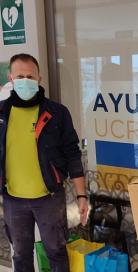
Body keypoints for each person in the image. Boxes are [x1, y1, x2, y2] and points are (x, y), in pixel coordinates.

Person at [0, 53, 89, 272]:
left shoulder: (57, 113)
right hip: (13, 200)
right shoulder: (1, 113)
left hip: (49, 198)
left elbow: (72, 155)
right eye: (20, 76)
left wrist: (81, 195)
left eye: (30, 76)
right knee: (20, 255)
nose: (25, 80)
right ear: (10, 77)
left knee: (57, 252)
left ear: (39, 79)